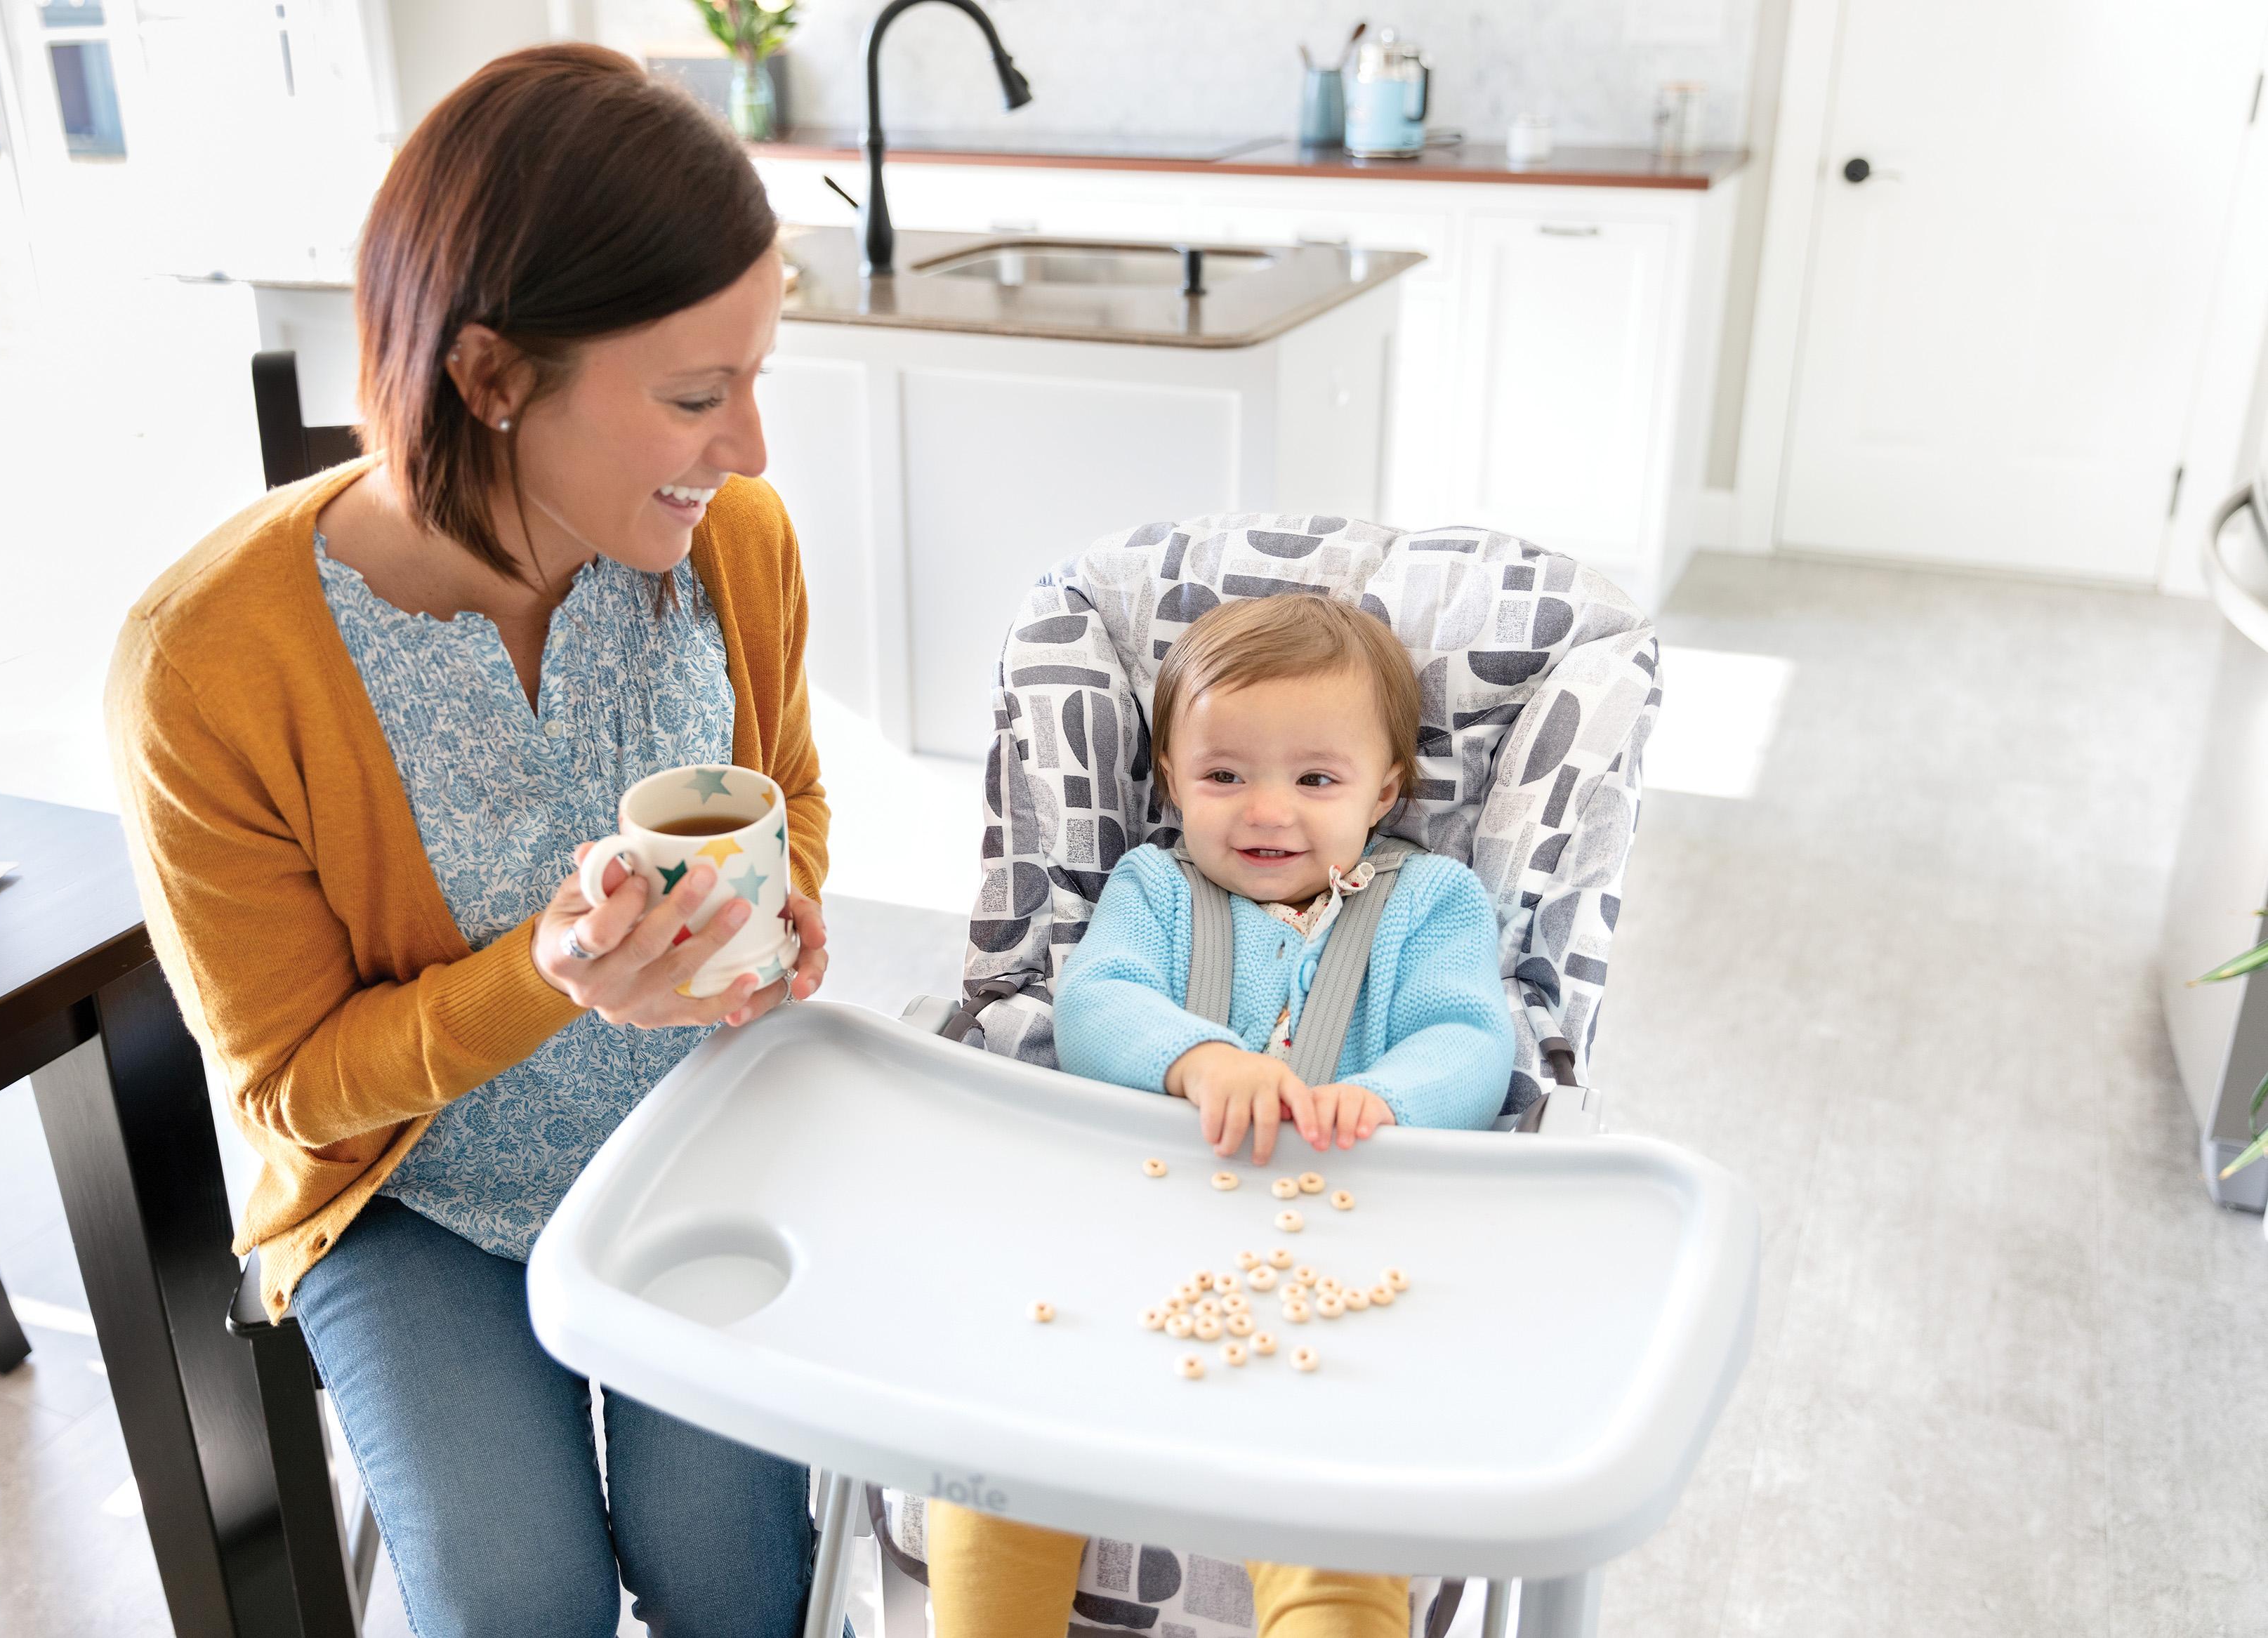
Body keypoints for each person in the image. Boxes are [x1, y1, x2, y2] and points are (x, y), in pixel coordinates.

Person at [105, 45, 835, 1637]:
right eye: (700, 397)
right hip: (415, 1191)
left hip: (696, 1128)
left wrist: (789, 915)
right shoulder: (210, 663)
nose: (753, 449)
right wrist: (549, 983)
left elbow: (794, 790)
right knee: (519, 1600)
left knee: (738, 1579)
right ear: (493, 377)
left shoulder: (734, 545)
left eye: (757, 376)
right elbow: (295, 1086)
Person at [925, 593, 1514, 1637]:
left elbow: (1472, 1041)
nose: (1267, 811)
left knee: (1333, 1530)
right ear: (1170, 780)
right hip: (1119, 1260)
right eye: (1225, 775)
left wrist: (1385, 1097)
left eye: (1316, 779)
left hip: (1325, 1284)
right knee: (985, 1468)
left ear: (1384, 789)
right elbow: (1097, 1003)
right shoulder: (1153, 886)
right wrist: (1197, 1059)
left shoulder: (1435, 902)